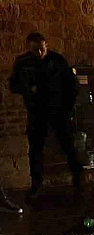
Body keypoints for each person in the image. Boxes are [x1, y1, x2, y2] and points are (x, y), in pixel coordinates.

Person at [9, 32, 82, 201]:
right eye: (36, 51)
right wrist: (28, 89)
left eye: (42, 49)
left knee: (68, 145)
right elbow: (13, 85)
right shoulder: (23, 62)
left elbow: (72, 85)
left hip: (58, 111)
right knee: (35, 150)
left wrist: (67, 107)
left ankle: (78, 179)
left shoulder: (57, 60)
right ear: (29, 48)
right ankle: (36, 185)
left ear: (46, 45)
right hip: (37, 112)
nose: (40, 54)